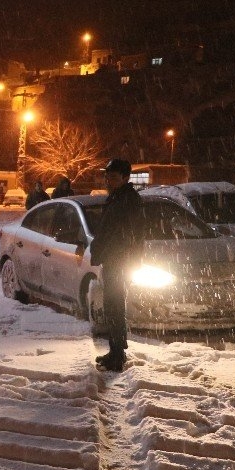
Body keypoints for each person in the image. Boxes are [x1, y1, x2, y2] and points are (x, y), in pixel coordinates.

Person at [89, 159, 143, 372]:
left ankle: (118, 354)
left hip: (119, 260)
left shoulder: (128, 200)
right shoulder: (116, 197)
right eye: (106, 176)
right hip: (112, 259)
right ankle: (115, 350)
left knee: (115, 305)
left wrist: (130, 258)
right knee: (112, 305)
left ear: (125, 178)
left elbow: (135, 234)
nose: (107, 181)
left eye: (112, 177)